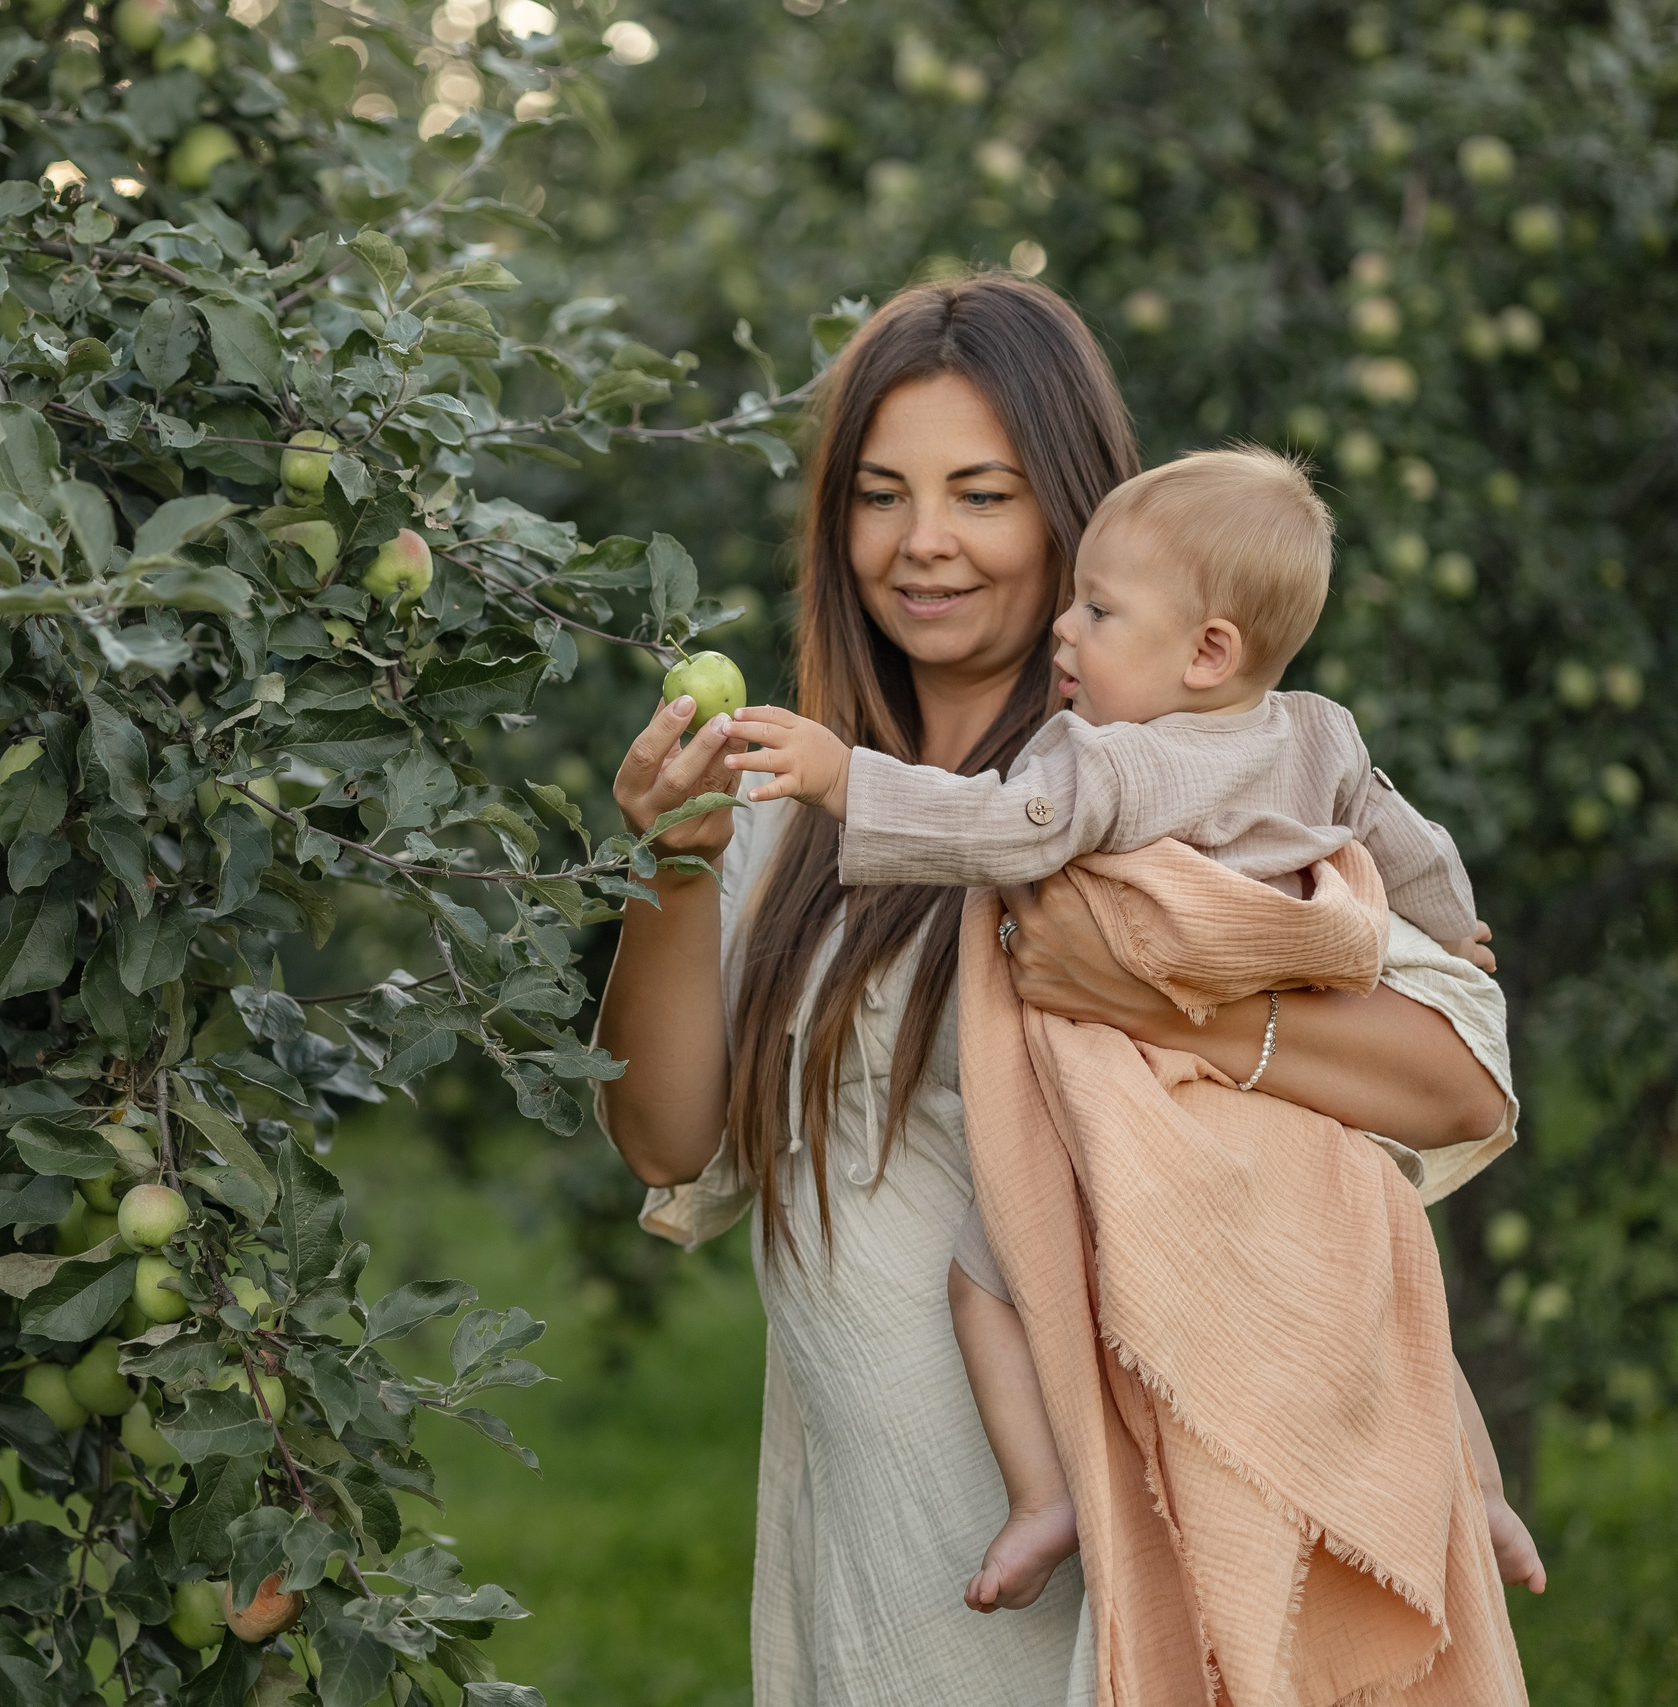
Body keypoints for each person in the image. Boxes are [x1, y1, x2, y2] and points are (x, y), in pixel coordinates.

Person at [596, 273, 1529, 1707]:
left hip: (1133, 1537)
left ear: (1073, 514)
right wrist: (674, 864)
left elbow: (1456, 1081)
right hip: (888, 1563)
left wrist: (1158, 1006)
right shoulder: (795, 808)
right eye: (881, 495)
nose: (923, 541)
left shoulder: (1178, 789)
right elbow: (665, 1138)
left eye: (982, 494)